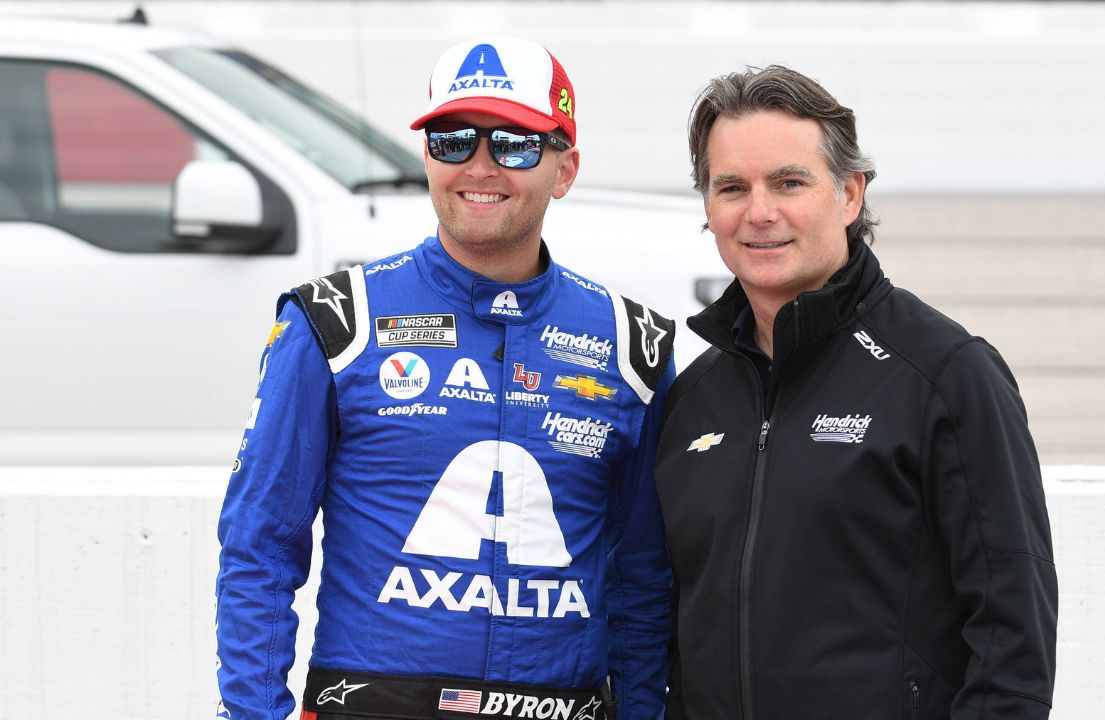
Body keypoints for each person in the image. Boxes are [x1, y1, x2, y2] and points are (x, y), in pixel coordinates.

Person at [215, 36, 676, 720]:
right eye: (453, 140)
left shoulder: (633, 347)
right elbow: (259, 547)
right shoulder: (336, 323)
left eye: (514, 144)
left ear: (566, 167)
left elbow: (644, 580)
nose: (479, 166)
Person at [655, 65, 1057, 718]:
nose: (759, 212)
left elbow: (1013, 636)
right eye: (732, 187)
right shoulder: (693, 399)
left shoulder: (946, 375)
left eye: (789, 182)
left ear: (848, 195)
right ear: (708, 207)